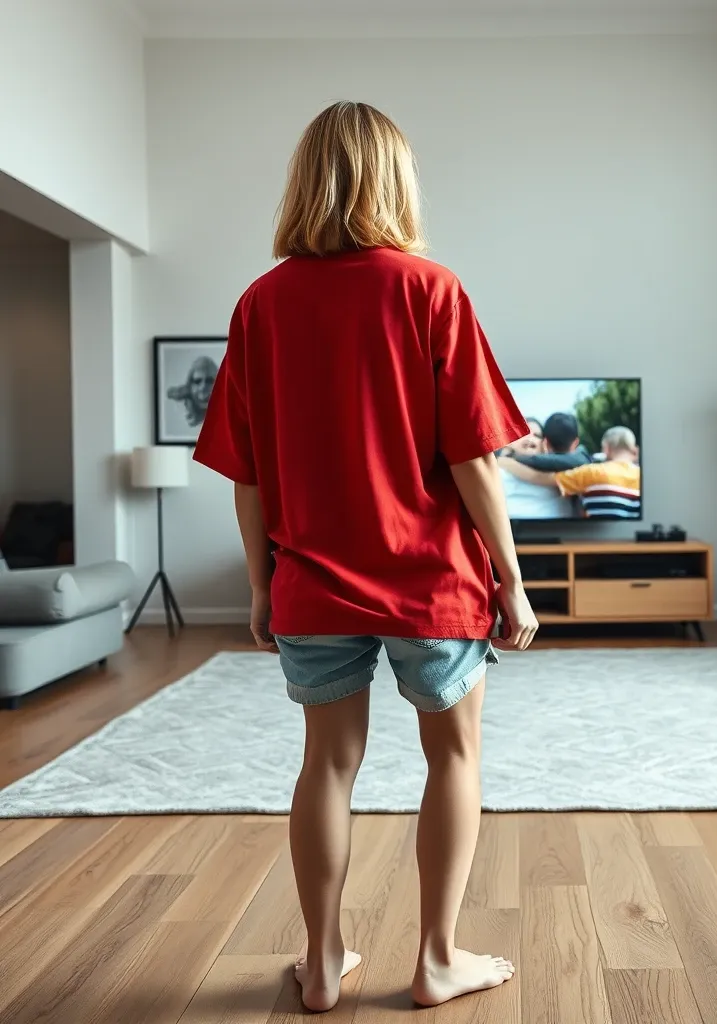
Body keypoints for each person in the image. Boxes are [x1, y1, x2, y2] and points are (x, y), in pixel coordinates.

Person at [193, 100, 538, 1014]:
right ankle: (434, 960)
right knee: (453, 759)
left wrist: (263, 588)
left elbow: (248, 473)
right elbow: (474, 457)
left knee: (327, 765)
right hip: (431, 583)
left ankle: (321, 963)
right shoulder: (432, 291)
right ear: (397, 180)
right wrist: (511, 578)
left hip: (312, 581)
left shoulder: (261, 303)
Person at [500, 425, 641, 519]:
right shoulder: (642, 477)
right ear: (634, 451)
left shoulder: (590, 473)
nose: (530, 439)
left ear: (606, 449)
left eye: (536, 435)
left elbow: (540, 477)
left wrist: (506, 461)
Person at [167, 355, 218, 427]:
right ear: (190, 385)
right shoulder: (179, 412)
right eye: (197, 381)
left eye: (209, 381)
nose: (203, 387)